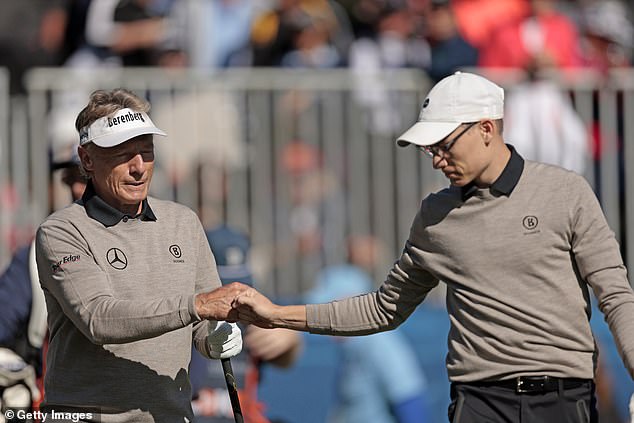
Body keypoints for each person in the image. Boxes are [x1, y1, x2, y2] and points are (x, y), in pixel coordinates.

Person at [229, 71, 634, 423]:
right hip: (477, 402)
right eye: (430, 148)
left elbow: (615, 295)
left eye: (443, 143)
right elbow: (383, 308)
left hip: (564, 400)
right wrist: (278, 315)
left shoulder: (565, 191)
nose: (437, 159)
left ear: (486, 129)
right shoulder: (435, 215)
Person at [34, 88, 249, 422]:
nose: (139, 168)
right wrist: (196, 306)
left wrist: (216, 336)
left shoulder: (183, 222)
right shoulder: (61, 231)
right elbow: (99, 318)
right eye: (122, 154)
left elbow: (204, 328)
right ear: (87, 159)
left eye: (146, 152)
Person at [0, 156, 87, 417]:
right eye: (72, 179)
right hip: (55, 406)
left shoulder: (153, 249)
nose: (76, 189)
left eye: (86, 177)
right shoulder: (33, 257)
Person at [190, 224, 301, 423]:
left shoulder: (248, 315)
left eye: (241, 285)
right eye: (223, 287)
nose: (233, 297)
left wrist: (288, 337)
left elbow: (285, 358)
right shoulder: (179, 315)